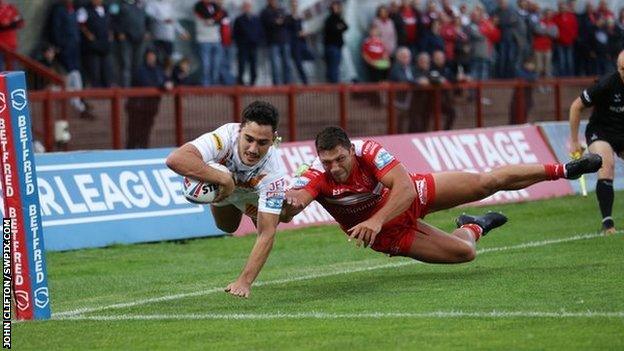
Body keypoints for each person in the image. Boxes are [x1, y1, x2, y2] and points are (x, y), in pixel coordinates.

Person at [282, 126, 602, 262]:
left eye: (340, 158)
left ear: (351, 150)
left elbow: (405, 188)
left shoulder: (368, 151)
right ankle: (474, 226)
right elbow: (297, 201)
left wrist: (376, 219)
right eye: (328, 162)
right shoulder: (315, 173)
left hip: (406, 199)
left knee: (485, 182)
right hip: (389, 233)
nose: (335, 167)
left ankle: (564, 170)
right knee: (466, 253)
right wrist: (285, 204)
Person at [166, 101, 287, 298]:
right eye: (249, 139)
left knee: (284, 215)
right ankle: (223, 190)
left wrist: (244, 282)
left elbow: (266, 235)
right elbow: (175, 159)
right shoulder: (222, 138)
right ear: (239, 130)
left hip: (252, 193)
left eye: (262, 143)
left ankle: (256, 206)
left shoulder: (273, 172)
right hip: (223, 183)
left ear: (273, 140)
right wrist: (224, 179)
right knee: (227, 227)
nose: (253, 149)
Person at [569, 50, 624, 234]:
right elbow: (576, 106)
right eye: (623, 69)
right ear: (618, 69)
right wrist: (574, 140)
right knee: (606, 164)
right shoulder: (606, 84)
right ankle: (608, 224)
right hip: (601, 131)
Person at [126, 49, 172, 149]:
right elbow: (146, 83)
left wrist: (167, 83)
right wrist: (162, 85)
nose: (151, 58)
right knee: (134, 134)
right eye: (149, 56)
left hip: (151, 107)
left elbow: (166, 79)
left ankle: (142, 150)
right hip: (137, 108)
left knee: (145, 132)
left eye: (153, 56)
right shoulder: (140, 70)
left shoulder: (158, 69)